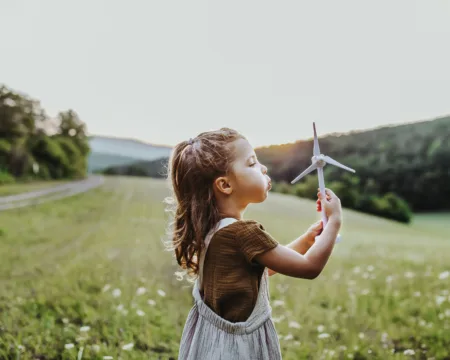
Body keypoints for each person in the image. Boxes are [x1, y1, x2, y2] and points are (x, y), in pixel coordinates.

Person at [164, 127, 342, 360]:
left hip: (212, 345)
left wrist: (308, 239)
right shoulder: (243, 233)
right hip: (237, 350)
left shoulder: (214, 229)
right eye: (251, 163)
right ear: (225, 185)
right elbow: (308, 268)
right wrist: (335, 222)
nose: (263, 168)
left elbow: (263, 269)